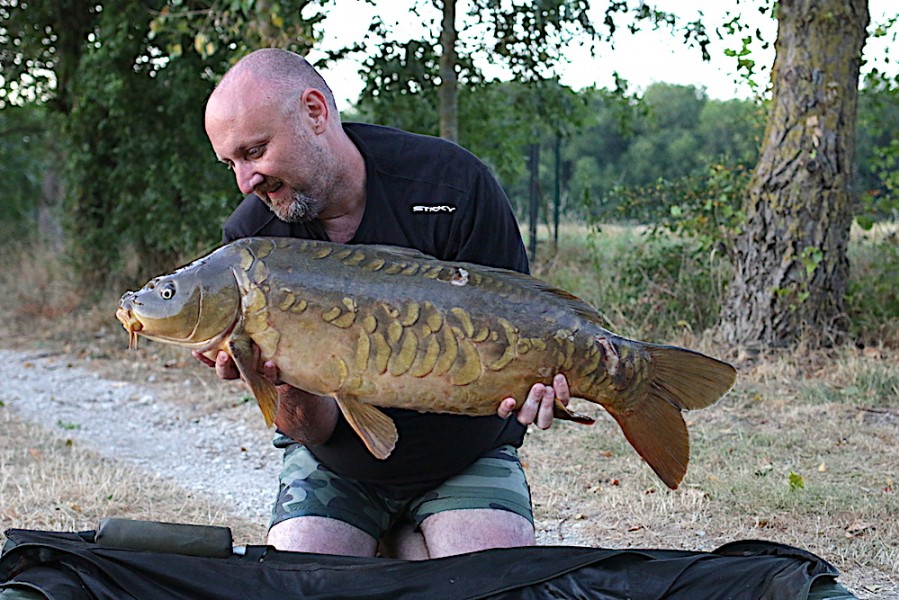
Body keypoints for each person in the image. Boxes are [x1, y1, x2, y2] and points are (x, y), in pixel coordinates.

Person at [196, 48, 571, 560]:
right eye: (231, 163)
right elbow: (312, 429)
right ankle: (391, 543)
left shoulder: (451, 185)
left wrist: (538, 382)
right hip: (338, 465)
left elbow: (520, 322)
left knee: (489, 583)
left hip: (466, 455)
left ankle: (406, 543)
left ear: (314, 111)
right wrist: (275, 377)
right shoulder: (252, 244)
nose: (246, 181)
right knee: (301, 584)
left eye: (255, 151)